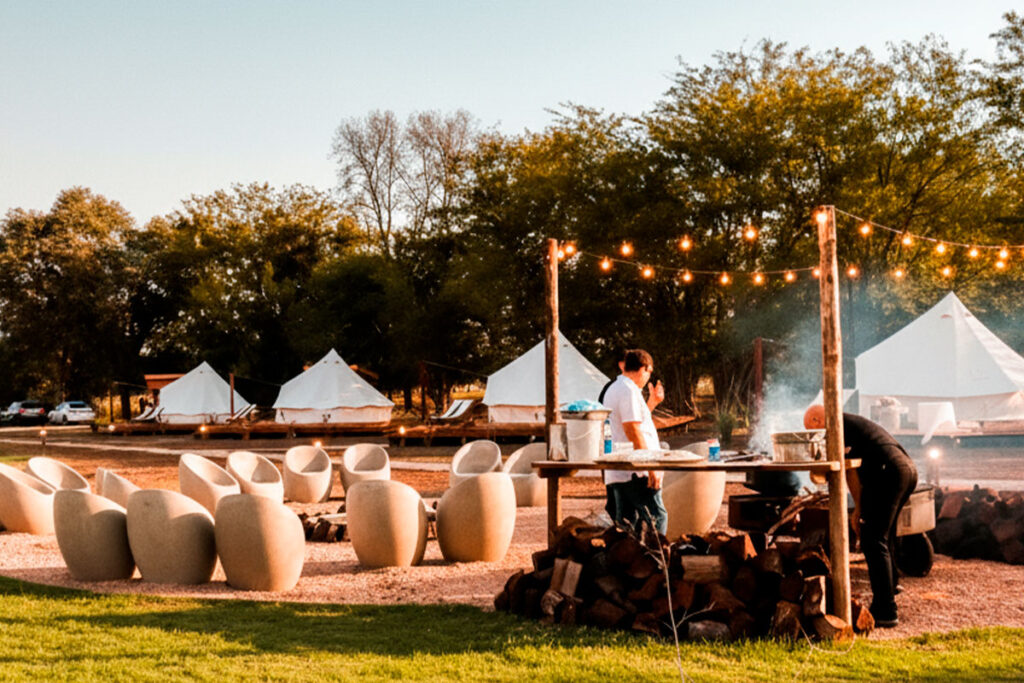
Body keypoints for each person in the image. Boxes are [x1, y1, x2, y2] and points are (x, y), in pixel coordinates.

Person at [803, 404, 918, 628]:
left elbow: (850, 471)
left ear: (818, 420)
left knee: (872, 538)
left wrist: (858, 509)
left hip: (890, 471)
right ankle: (892, 583)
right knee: (885, 531)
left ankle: (886, 609)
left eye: (811, 430)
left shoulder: (837, 426)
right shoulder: (851, 422)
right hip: (907, 469)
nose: (814, 436)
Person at [601, 348, 667, 534]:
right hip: (634, 471)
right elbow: (632, 430)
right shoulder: (628, 390)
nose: (648, 377)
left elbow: (632, 424)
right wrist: (650, 467)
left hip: (621, 469)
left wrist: (652, 403)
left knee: (627, 523)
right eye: (649, 372)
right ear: (643, 368)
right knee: (657, 516)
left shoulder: (617, 388)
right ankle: (656, 560)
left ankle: (627, 561)